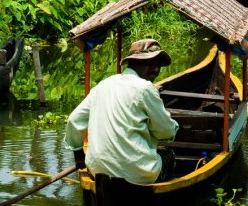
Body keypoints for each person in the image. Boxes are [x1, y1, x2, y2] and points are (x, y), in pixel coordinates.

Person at [65, 38, 179, 185]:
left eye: (158, 65)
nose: (156, 69)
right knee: (168, 155)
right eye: (150, 63)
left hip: (97, 170)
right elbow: (166, 132)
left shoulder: (103, 85)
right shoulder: (145, 89)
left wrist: (79, 156)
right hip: (137, 174)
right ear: (134, 63)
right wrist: (172, 122)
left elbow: (74, 120)